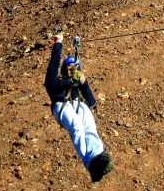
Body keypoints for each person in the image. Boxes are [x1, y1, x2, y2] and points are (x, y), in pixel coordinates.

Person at [43, 33, 113, 182]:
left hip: (78, 104)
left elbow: (86, 92)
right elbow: (53, 67)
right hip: (62, 106)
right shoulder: (55, 82)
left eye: (74, 68)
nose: (72, 70)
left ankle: (98, 158)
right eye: (69, 67)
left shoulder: (76, 81)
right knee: (77, 127)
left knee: (89, 127)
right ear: (63, 70)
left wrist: (83, 82)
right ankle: (89, 163)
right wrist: (58, 44)